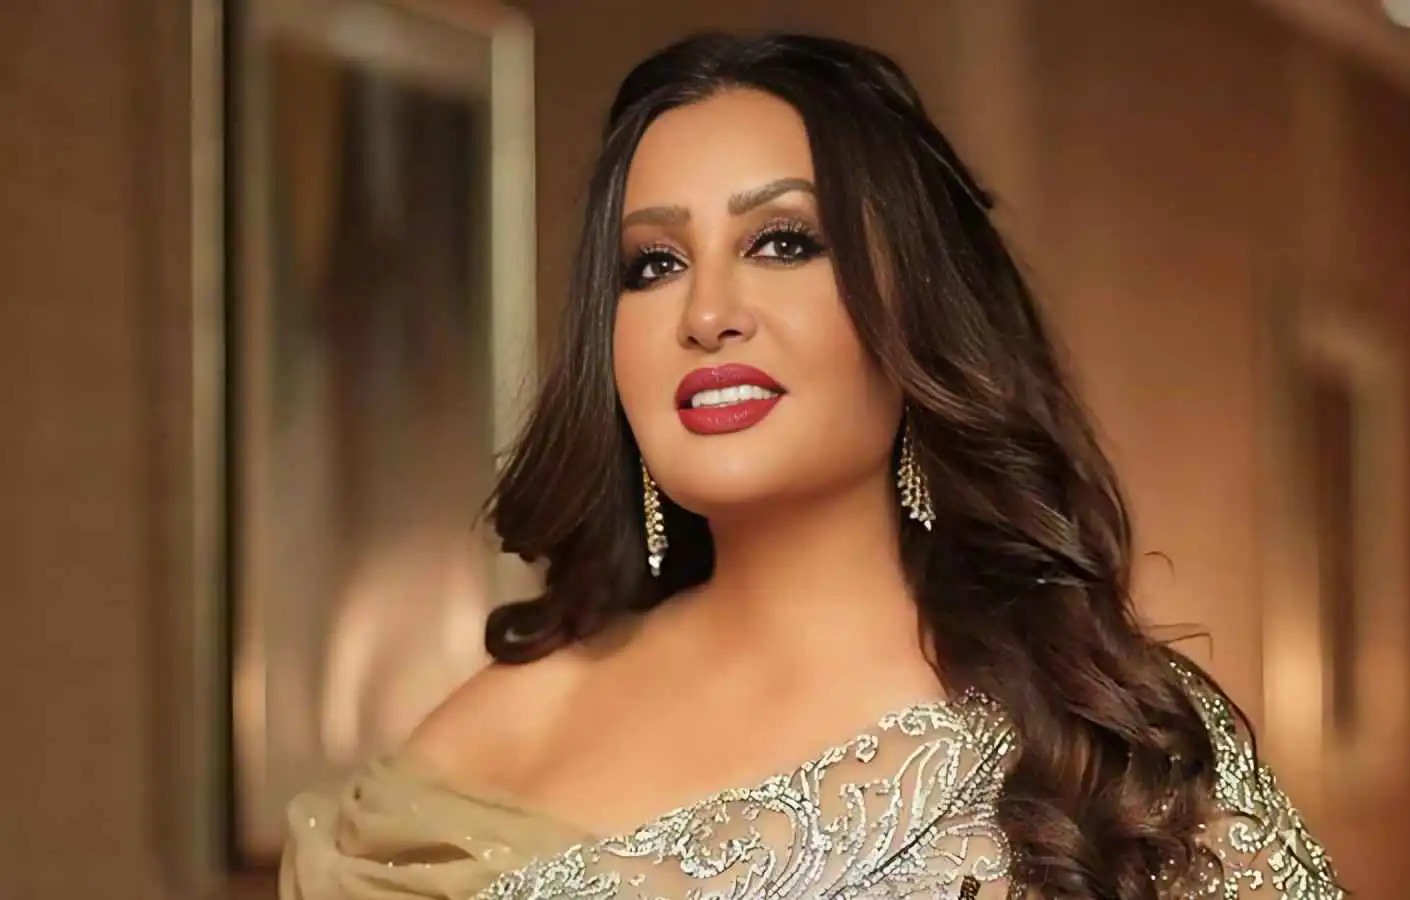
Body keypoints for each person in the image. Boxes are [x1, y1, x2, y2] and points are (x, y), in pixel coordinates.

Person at [280, 32, 1343, 900]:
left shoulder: (1095, 739)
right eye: (653, 264)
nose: (707, 314)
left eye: (783, 242)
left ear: (913, 309)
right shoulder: (496, 742)